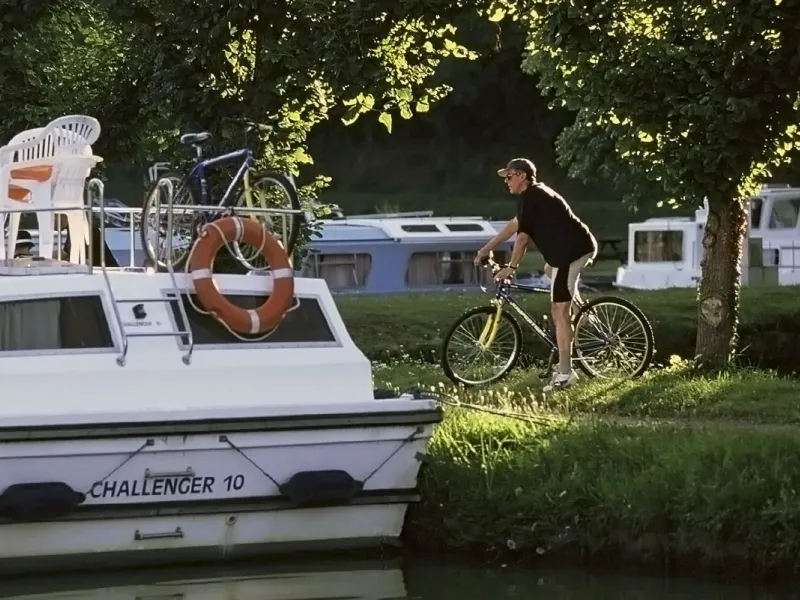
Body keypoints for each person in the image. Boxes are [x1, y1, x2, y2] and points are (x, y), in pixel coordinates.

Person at [474, 158, 597, 391]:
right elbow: (514, 226)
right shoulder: (531, 198)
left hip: (572, 252)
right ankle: (583, 313)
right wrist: (486, 249)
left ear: (522, 176)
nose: (506, 182)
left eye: (509, 177)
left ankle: (565, 373)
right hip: (563, 255)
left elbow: (522, 239)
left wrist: (511, 267)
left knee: (558, 310)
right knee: (549, 271)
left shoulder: (534, 196)